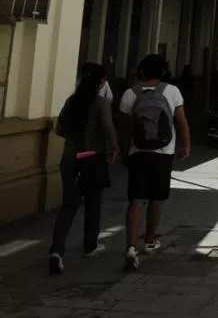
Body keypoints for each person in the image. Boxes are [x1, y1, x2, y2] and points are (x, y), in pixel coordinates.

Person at [118, 54, 190, 271]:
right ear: (162, 72)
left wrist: (123, 152)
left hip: (138, 153)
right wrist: (185, 146)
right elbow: (181, 122)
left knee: (136, 200)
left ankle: (130, 247)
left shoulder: (130, 94)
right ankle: (150, 240)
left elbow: (124, 128)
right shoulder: (172, 91)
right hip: (163, 152)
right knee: (157, 198)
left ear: (141, 72)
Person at [49, 63, 119, 274]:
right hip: (90, 159)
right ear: (100, 82)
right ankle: (90, 244)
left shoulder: (72, 101)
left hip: (69, 158)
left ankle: (56, 251)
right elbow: (108, 127)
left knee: (68, 205)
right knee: (93, 202)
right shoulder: (100, 103)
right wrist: (114, 148)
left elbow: (59, 128)